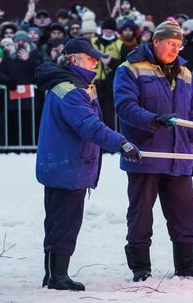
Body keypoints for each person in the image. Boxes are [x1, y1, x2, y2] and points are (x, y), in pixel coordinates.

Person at [34, 37, 141, 291]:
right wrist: (122, 143)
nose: (95, 61)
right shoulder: (71, 90)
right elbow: (89, 126)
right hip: (69, 166)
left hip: (61, 164)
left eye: (95, 57)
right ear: (73, 60)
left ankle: (52, 273)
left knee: (57, 220)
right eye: (89, 57)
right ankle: (58, 276)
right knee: (66, 222)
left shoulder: (71, 85)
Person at [114, 20, 193, 282]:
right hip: (146, 153)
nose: (175, 49)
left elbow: (191, 115)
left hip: (178, 155)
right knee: (141, 212)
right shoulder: (130, 68)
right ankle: (140, 266)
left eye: (179, 45)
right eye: (170, 44)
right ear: (156, 42)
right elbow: (125, 107)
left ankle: (186, 263)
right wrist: (154, 120)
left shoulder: (186, 73)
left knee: (186, 209)